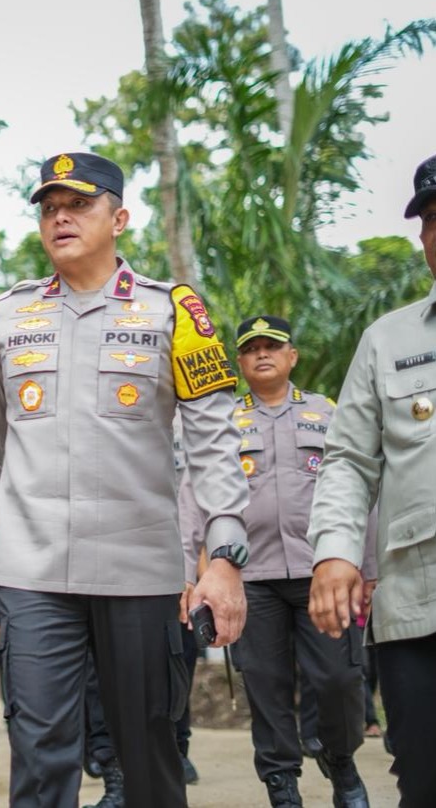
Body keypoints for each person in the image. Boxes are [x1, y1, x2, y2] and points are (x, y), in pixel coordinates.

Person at [0, 152, 250, 808]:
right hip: (30, 574)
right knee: (41, 756)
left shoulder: (173, 313)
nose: (60, 217)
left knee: (148, 754)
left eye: (78, 204)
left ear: (119, 217)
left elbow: (216, 440)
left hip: (138, 570)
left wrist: (223, 555)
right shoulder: (6, 317)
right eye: (49, 208)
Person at [181, 315, 371, 808]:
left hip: (321, 574)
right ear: (240, 362)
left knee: (339, 678)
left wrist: (364, 566)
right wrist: (190, 572)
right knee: (266, 688)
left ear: (292, 357)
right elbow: (194, 498)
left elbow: (360, 488)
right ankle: (281, 786)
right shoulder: (222, 423)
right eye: (252, 348)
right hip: (250, 579)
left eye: (273, 346)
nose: (262, 354)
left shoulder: (326, 413)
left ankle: (341, 762)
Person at [309, 153, 436, 807]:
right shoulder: (385, 341)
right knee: (422, 778)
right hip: (417, 611)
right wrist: (334, 551)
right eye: (433, 220)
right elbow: (349, 461)